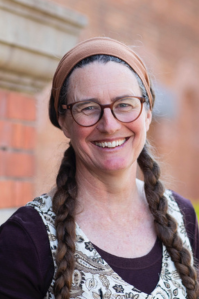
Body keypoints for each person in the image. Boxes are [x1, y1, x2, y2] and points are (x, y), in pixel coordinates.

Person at [0, 37, 198, 299]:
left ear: (148, 113)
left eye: (124, 104)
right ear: (64, 121)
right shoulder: (25, 238)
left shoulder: (181, 217)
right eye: (89, 108)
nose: (109, 125)